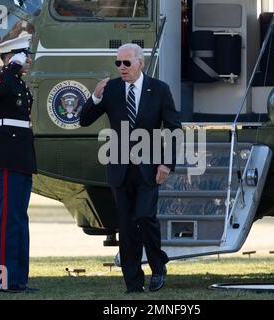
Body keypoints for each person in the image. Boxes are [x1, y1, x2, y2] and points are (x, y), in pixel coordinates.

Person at [80, 43, 182, 293]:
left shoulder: (159, 89)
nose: (121, 68)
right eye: (118, 63)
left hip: (149, 168)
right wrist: (94, 97)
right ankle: (133, 284)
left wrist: (167, 163)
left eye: (126, 63)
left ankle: (158, 267)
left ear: (140, 63)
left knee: (146, 217)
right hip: (120, 168)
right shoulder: (112, 89)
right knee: (126, 227)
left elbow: (174, 128)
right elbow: (84, 120)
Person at [0, 34, 38, 293]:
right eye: (23, 54)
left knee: (20, 218)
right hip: (6, 154)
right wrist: (12, 66)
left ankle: (18, 279)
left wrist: (15, 69)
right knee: (7, 219)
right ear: (10, 56)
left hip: (22, 154)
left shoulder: (21, 85)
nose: (28, 59)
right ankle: (3, 279)